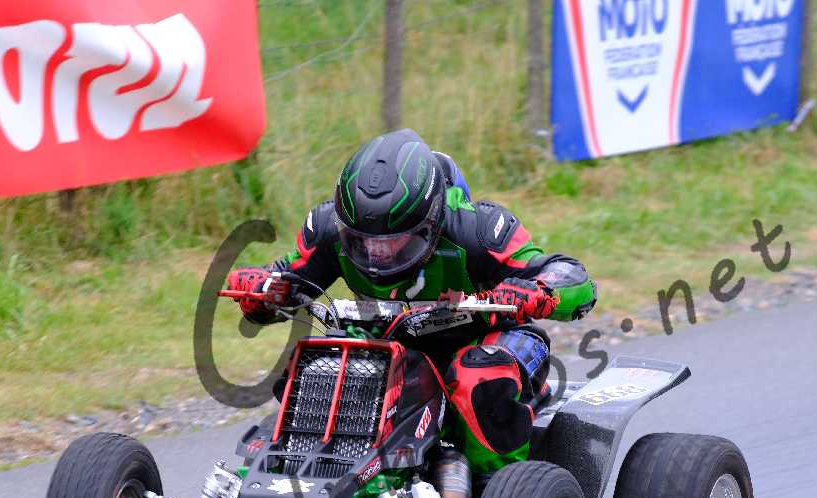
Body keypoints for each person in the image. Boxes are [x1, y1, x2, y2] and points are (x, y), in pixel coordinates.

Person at [224, 129, 597, 473]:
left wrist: (538, 291)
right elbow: (284, 279)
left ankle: (500, 488)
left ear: (431, 223)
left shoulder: (479, 229)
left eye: (394, 242)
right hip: (394, 347)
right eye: (362, 242)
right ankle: (303, 478)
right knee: (318, 364)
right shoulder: (325, 229)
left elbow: (574, 278)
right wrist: (261, 292)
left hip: (491, 341)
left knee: (477, 374)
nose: (377, 254)